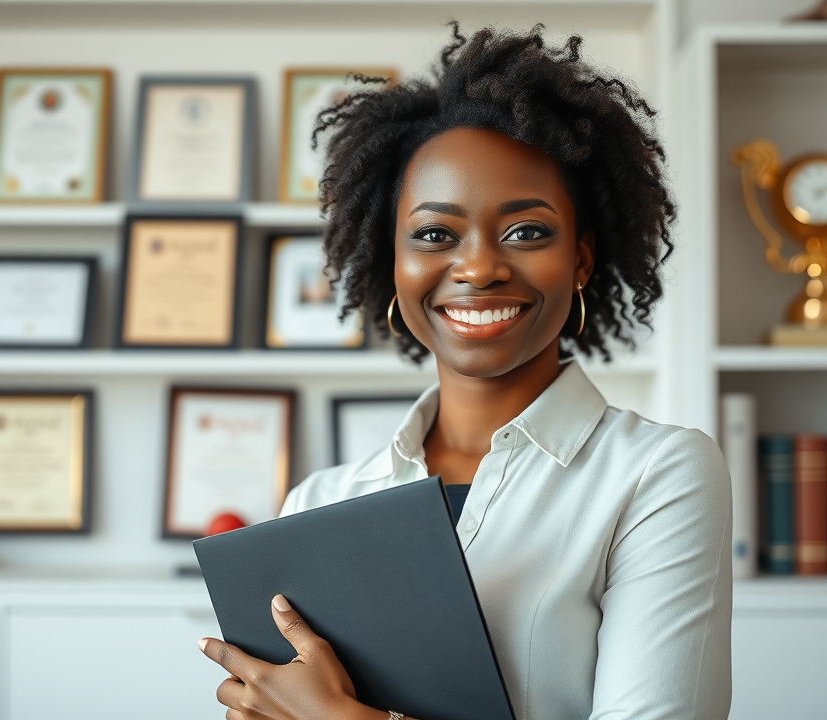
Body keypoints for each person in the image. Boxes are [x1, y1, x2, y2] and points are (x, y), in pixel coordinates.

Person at [199, 24, 732, 720]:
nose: (478, 267)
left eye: (526, 232)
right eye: (434, 235)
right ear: (391, 261)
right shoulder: (317, 503)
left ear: (581, 258)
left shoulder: (659, 474)